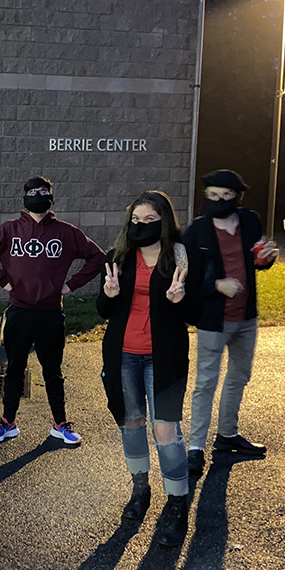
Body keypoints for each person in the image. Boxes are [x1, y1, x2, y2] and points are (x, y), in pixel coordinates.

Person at [0, 175, 105, 445]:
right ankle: (8, 422)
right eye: (33, 191)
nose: (38, 195)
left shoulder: (66, 232)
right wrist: (2, 280)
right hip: (19, 311)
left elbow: (97, 257)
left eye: (43, 191)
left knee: (52, 371)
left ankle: (60, 424)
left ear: (51, 196)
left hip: (51, 313)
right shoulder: (8, 230)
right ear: (25, 196)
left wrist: (69, 286)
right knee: (15, 369)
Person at [96, 191, 192, 547]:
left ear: (164, 222)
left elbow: (194, 313)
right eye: (136, 219)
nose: (141, 226)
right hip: (123, 355)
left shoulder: (179, 259)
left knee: (166, 429)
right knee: (131, 421)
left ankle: (177, 502)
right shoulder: (118, 257)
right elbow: (102, 311)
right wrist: (109, 292)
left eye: (150, 220)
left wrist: (180, 300)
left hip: (164, 357)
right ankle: (140, 490)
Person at [183, 170, 279, 475]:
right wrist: (216, 286)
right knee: (205, 384)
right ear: (205, 196)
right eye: (212, 195)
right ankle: (195, 448)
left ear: (236, 197)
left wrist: (266, 260)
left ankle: (227, 436)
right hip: (213, 319)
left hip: (246, 317)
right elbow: (186, 278)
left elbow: (256, 260)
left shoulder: (250, 221)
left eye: (226, 196)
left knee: (239, 377)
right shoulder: (196, 231)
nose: (219, 201)